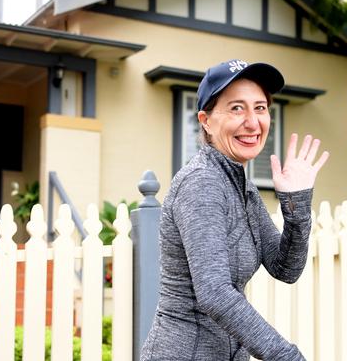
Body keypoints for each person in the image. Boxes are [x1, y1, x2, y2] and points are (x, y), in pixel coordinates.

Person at [141, 59, 329, 360]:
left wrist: (296, 203)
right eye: (236, 108)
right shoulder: (202, 183)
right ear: (206, 120)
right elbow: (214, 294)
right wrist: (286, 356)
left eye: (260, 108)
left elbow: (285, 268)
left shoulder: (242, 186)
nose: (253, 123)